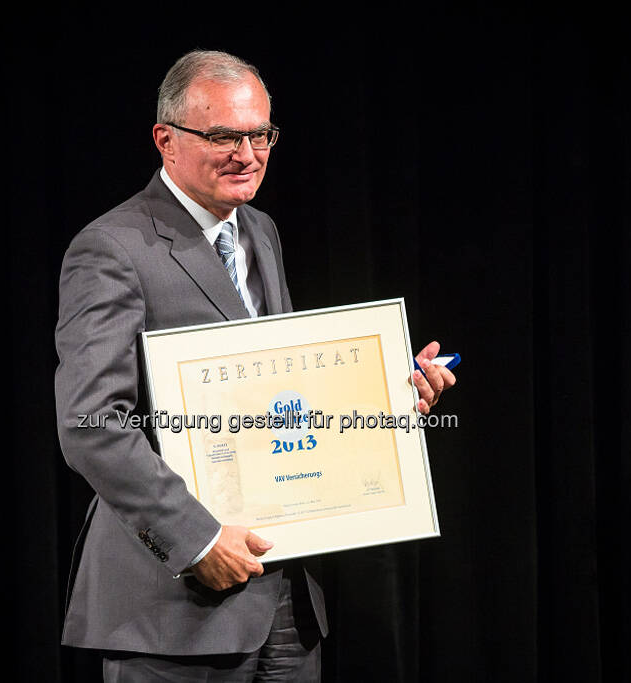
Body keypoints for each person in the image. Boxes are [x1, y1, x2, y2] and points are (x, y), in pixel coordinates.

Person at [54, 49, 455, 682]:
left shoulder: (259, 231)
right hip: (174, 605)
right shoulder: (112, 248)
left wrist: (382, 400)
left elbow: (274, 392)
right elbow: (92, 424)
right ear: (166, 140)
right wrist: (199, 541)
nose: (247, 153)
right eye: (222, 135)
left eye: (259, 133)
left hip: (285, 596)